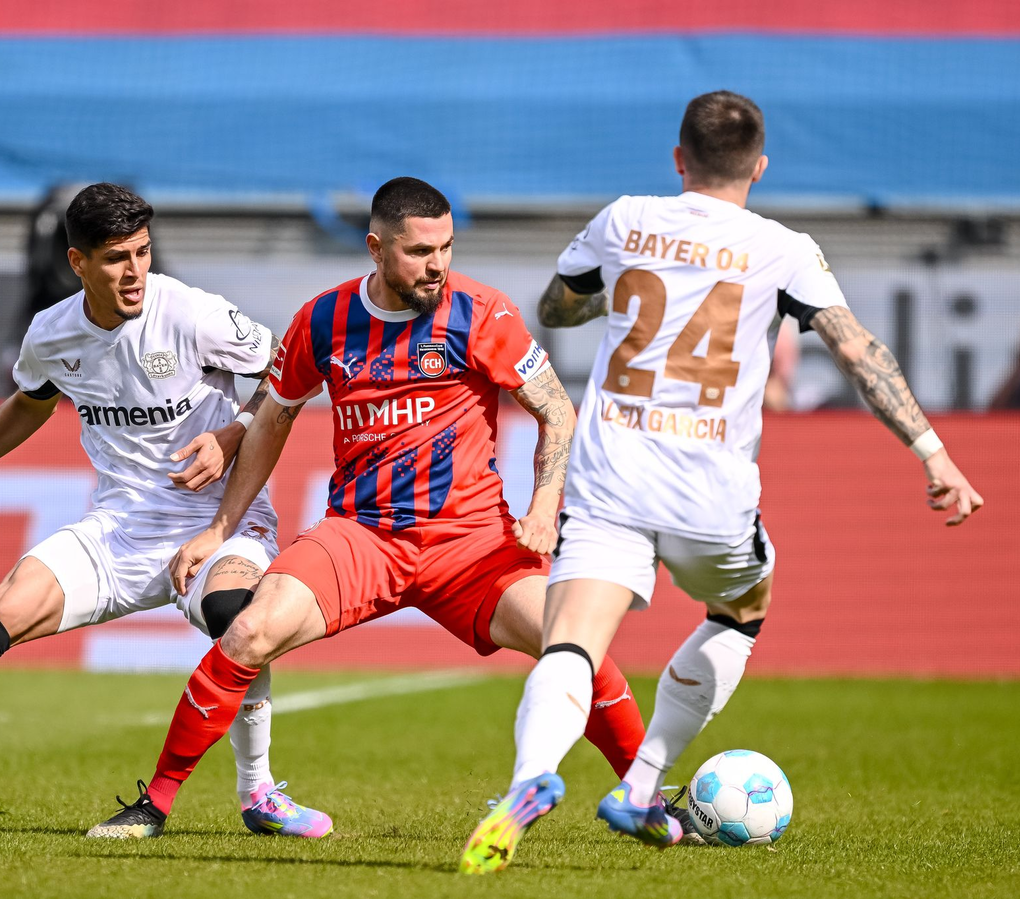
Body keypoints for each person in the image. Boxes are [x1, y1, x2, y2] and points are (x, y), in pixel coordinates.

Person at [459, 91, 985, 873]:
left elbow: (558, 309)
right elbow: (856, 351)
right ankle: (641, 785)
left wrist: (615, 284)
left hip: (611, 482)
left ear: (679, 159)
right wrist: (932, 451)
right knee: (742, 610)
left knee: (571, 640)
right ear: (759, 167)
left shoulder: (623, 220)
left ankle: (529, 780)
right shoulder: (784, 249)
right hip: (709, 491)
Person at [87, 177, 649, 838]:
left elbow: (557, 410)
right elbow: (271, 422)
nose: (437, 265)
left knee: (574, 642)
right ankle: (154, 805)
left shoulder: (481, 312)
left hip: (470, 543)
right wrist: (220, 528)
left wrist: (546, 504)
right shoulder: (322, 320)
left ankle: (646, 797)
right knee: (247, 633)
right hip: (362, 537)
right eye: (419, 251)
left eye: (445, 247)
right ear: (377, 249)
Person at [0, 183, 329, 839]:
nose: (135, 271)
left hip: (223, 523)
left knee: (234, 615)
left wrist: (233, 432)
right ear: (78, 262)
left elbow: (289, 368)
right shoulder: (52, 332)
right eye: (117, 258)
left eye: (142, 252)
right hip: (120, 531)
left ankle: (258, 793)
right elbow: (29, 402)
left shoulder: (191, 312)